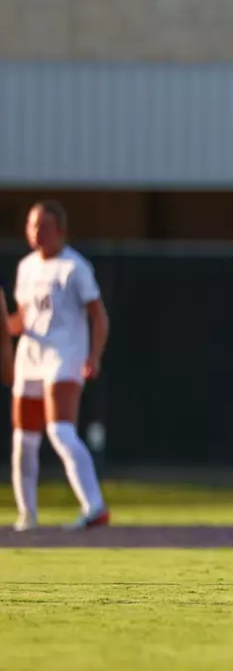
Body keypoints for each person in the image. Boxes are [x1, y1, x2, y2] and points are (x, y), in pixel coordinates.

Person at [10, 201, 111, 533]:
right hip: (31, 357)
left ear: (60, 230)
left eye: (43, 225)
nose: (36, 231)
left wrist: (93, 356)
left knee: (60, 431)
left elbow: (99, 316)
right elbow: (22, 320)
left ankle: (94, 508)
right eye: (31, 224)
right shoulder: (26, 267)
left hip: (64, 356)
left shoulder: (74, 268)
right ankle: (28, 515)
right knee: (24, 439)